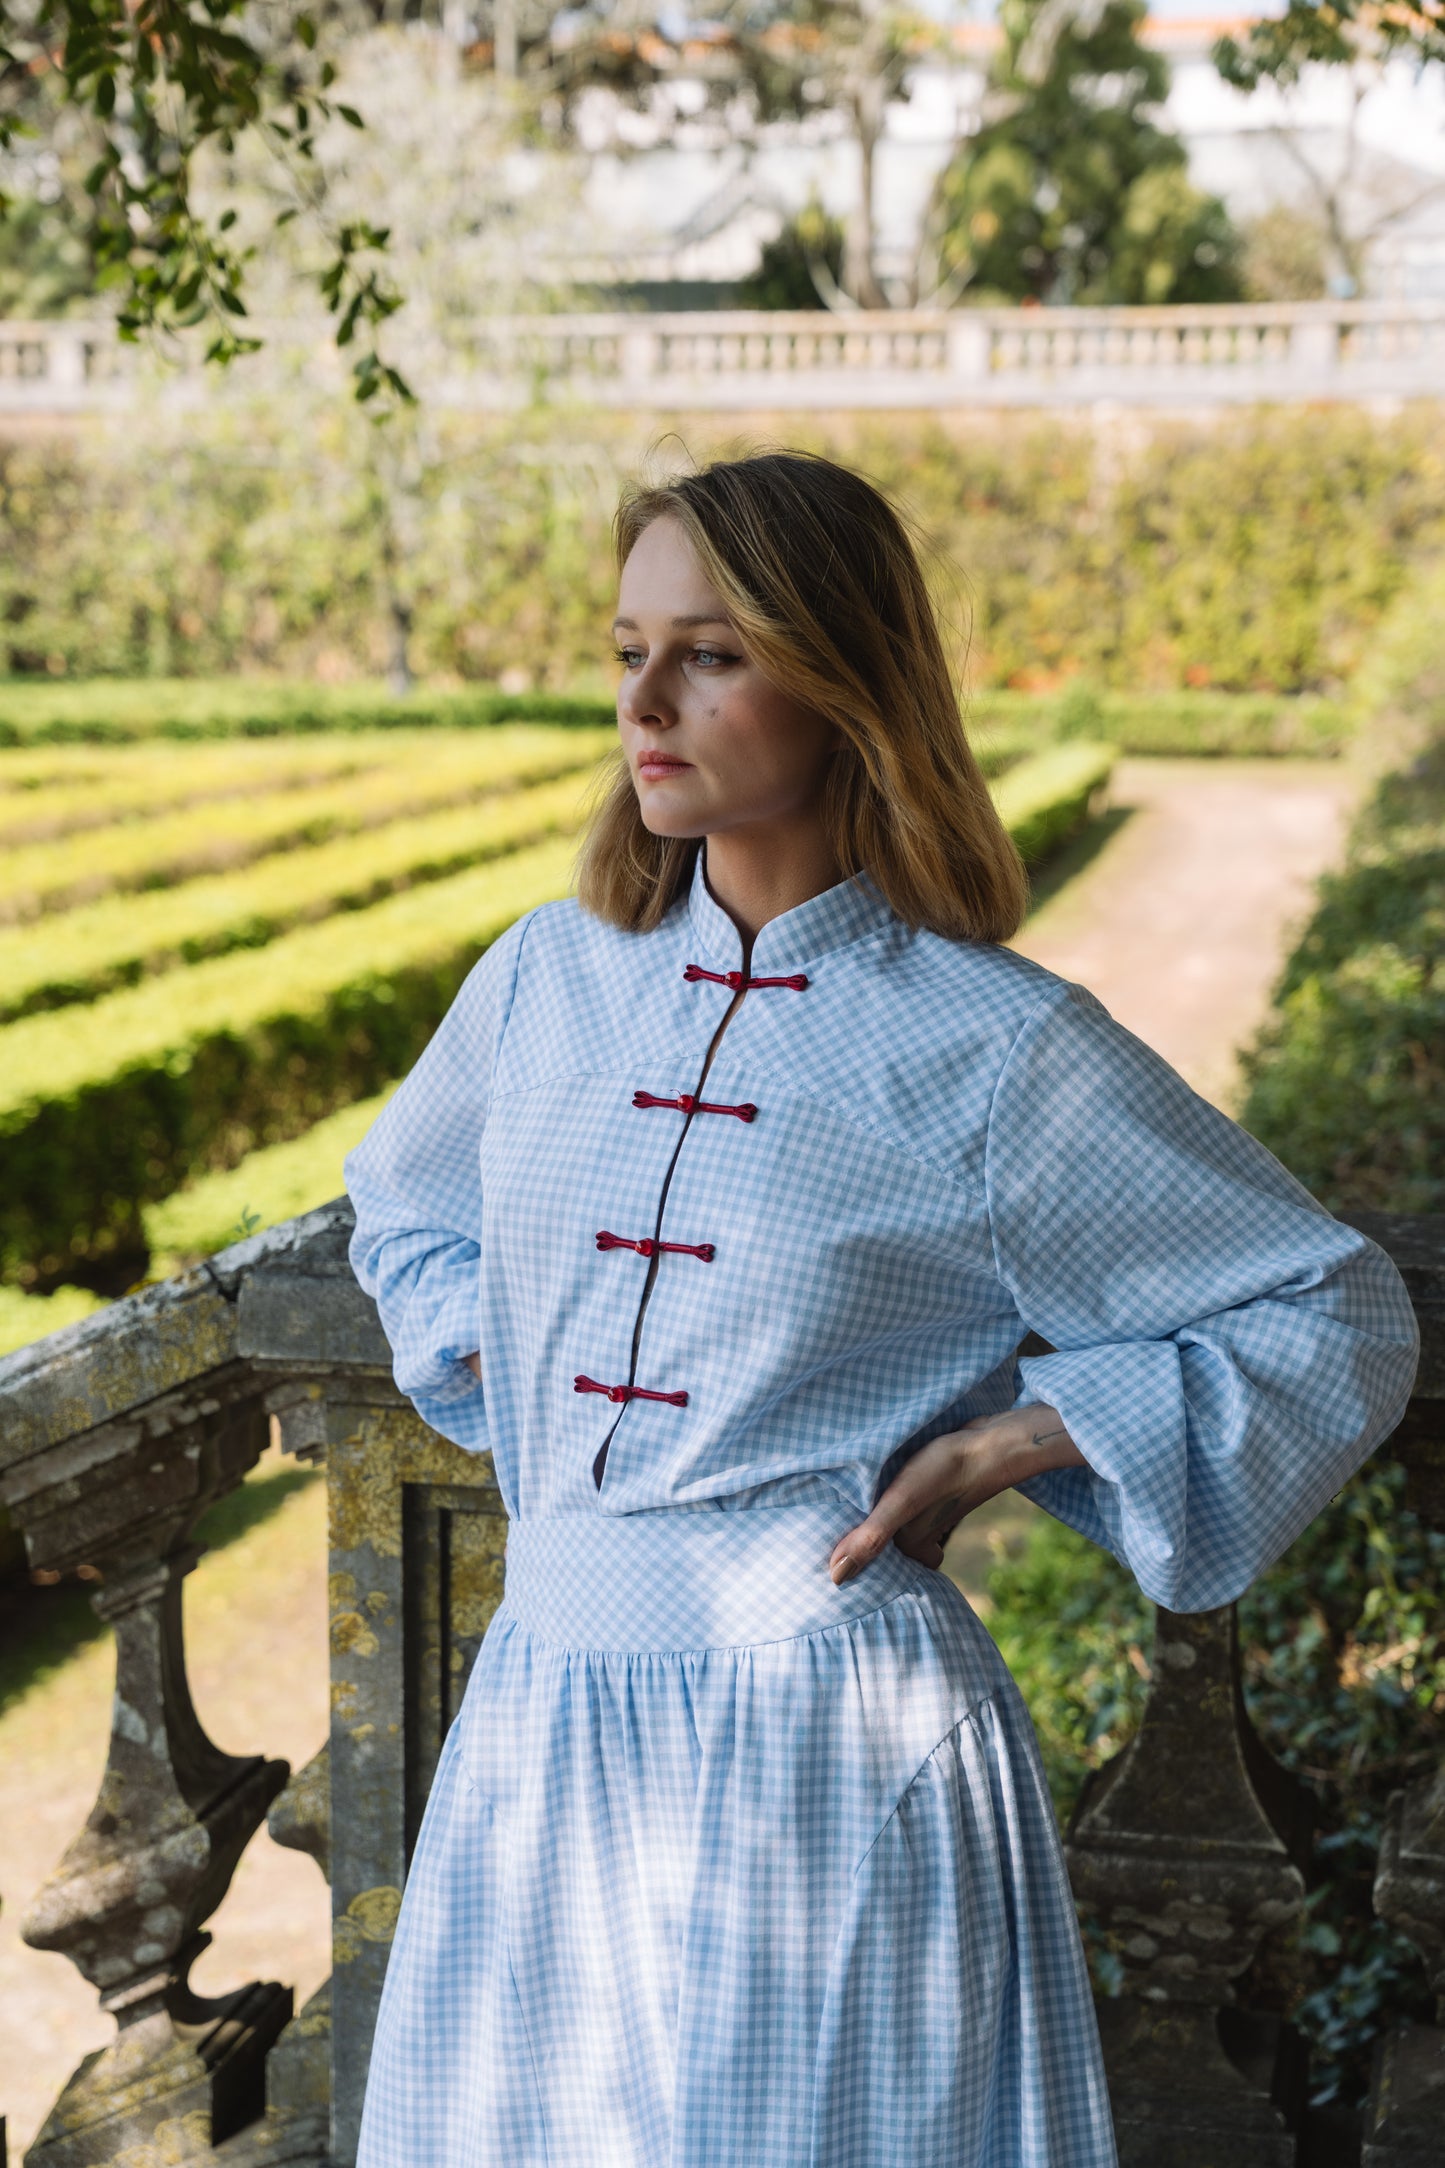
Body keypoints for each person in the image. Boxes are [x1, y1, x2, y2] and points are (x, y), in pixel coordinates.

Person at [344, 451, 1419, 2168]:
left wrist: (1036, 1431)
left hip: (828, 1752)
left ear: (841, 677)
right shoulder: (543, 983)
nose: (640, 699)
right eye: (627, 644)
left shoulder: (992, 1049)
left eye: (708, 652)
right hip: (541, 1725)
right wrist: (505, 1345)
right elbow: (397, 1207)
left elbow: (1329, 1312)